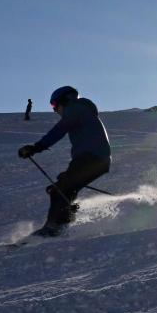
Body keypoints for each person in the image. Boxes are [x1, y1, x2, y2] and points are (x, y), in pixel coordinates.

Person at [17, 86, 111, 236]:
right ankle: (63, 224)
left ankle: (54, 228)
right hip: (97, 160)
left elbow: (60, 129)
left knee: (60, 189)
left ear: (64, 100)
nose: (54, 110)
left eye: (54, 105)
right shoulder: (83, 111)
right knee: (63, 188)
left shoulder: (75, 108)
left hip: (90, 157)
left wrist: (37, 147)